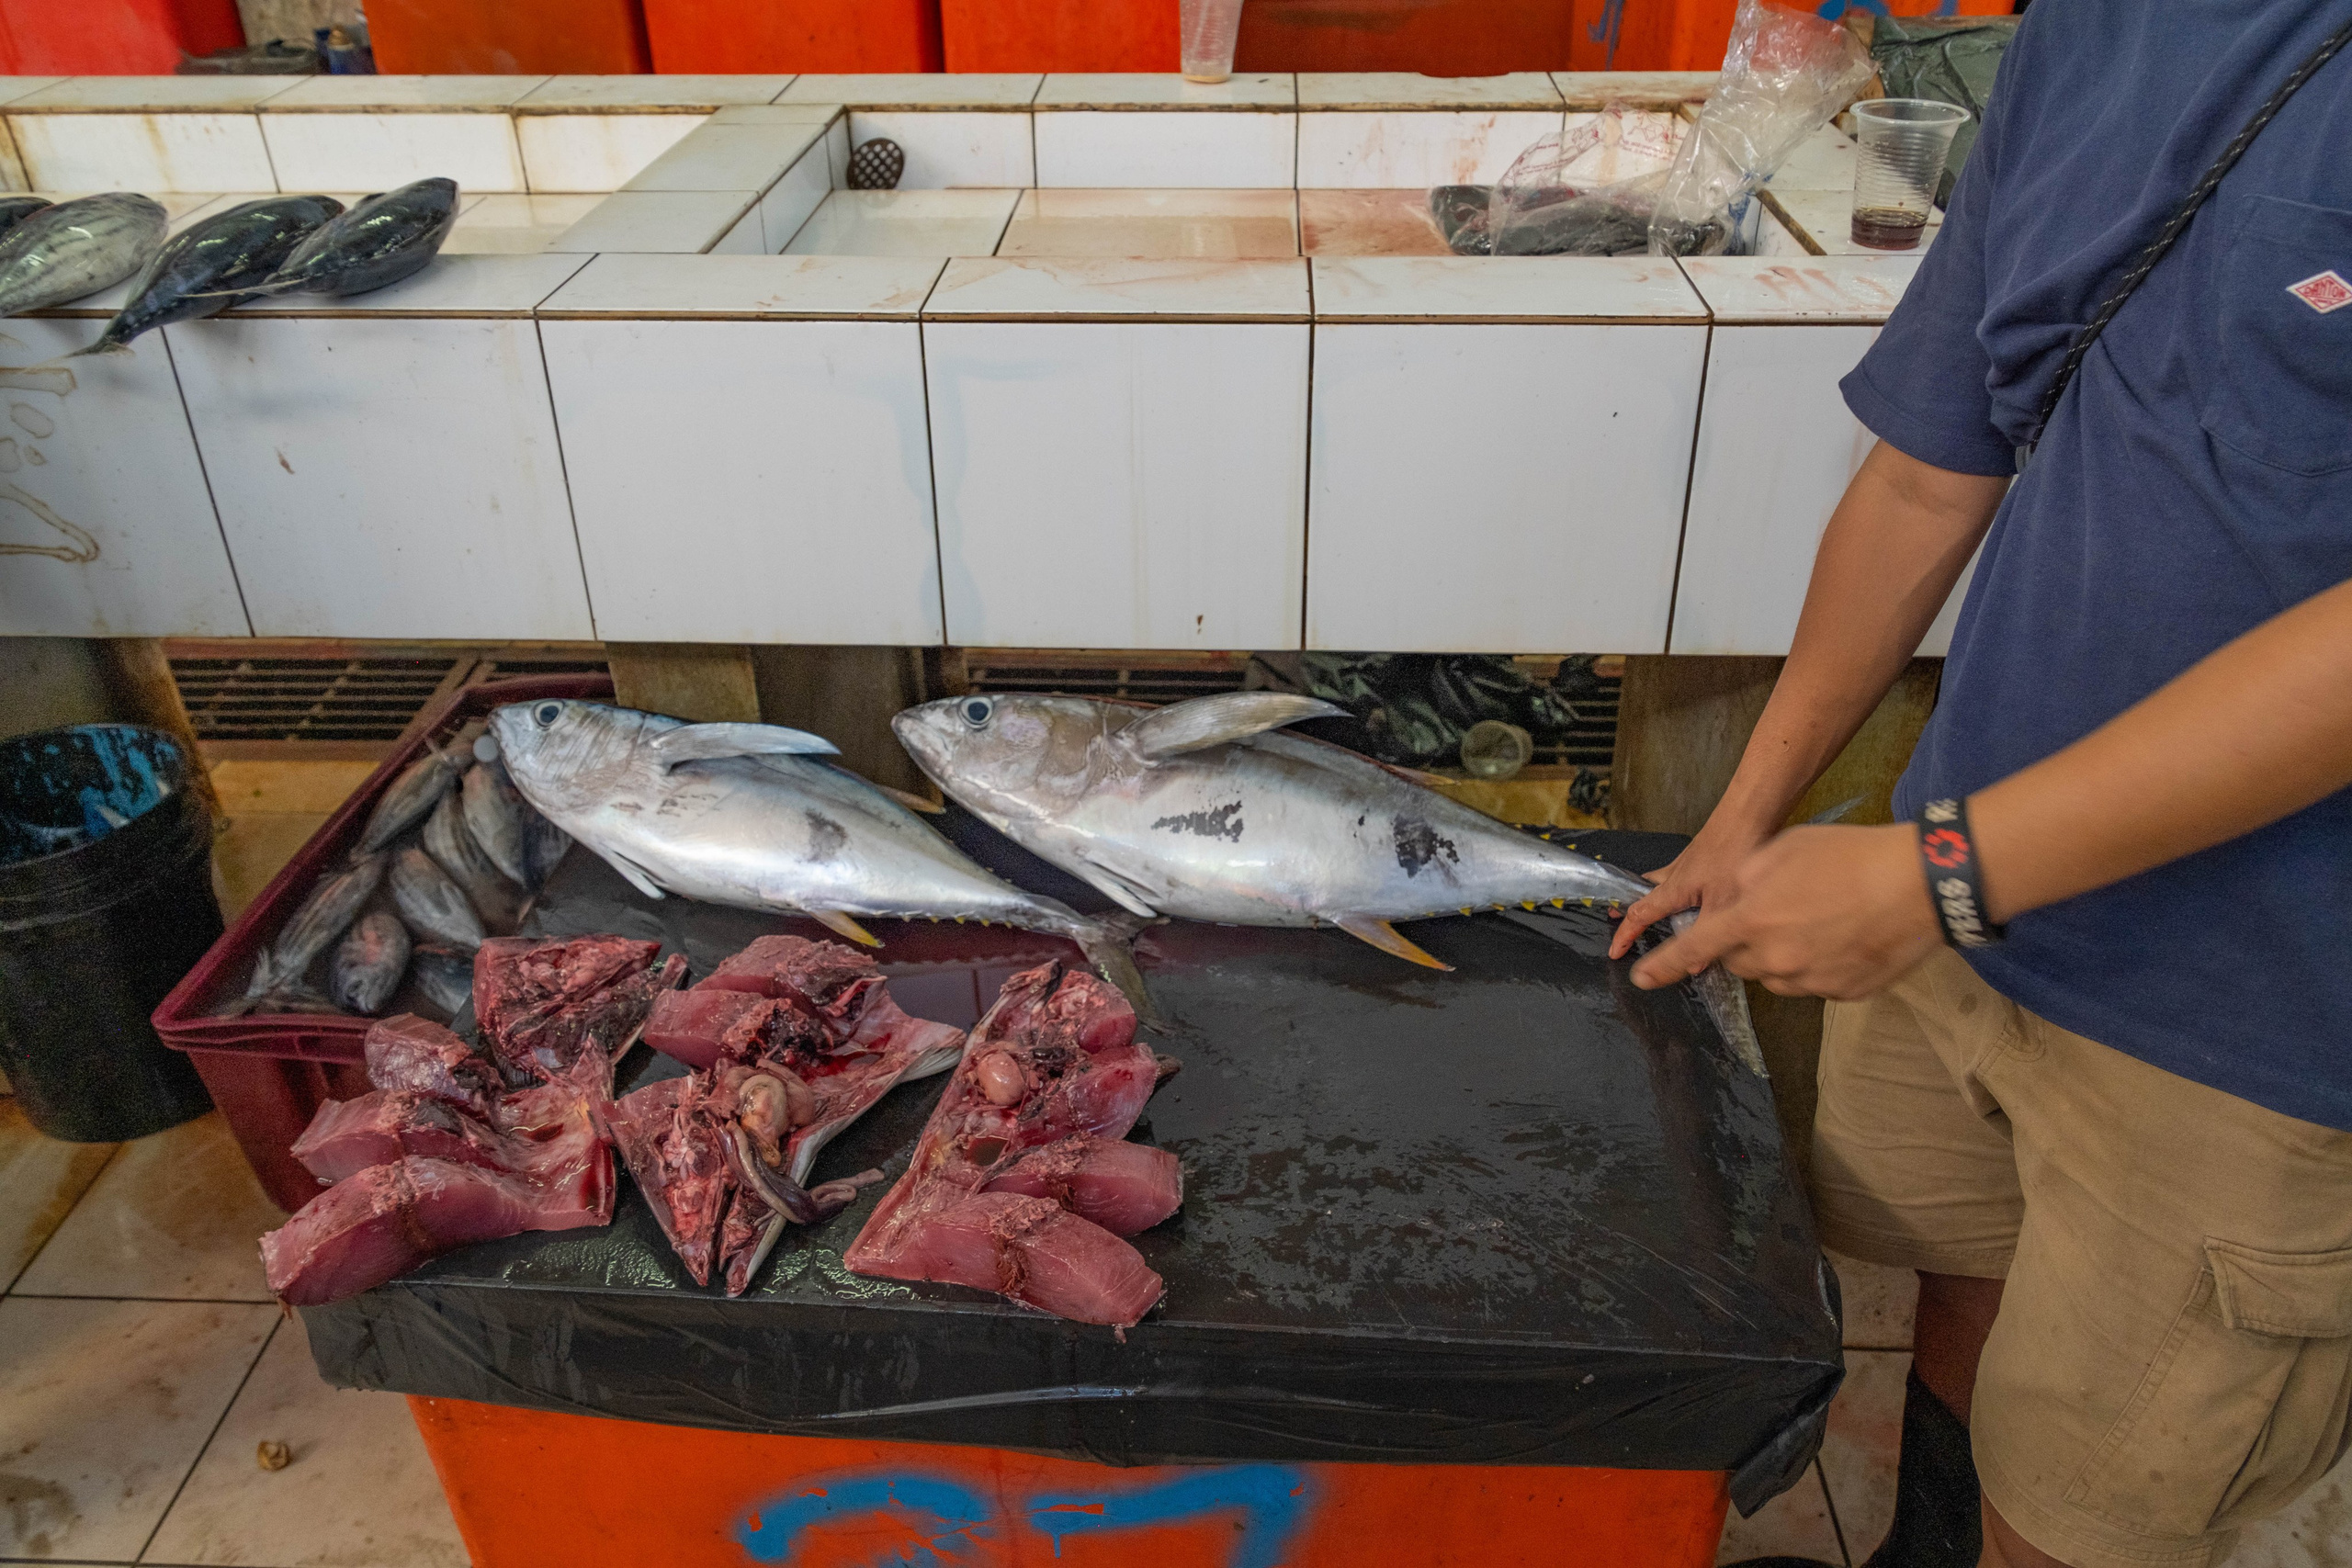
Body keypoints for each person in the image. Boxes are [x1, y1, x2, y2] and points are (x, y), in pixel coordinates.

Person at [1608, 4, 2352, 1566]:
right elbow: (1928, 468)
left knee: (2084, 1502)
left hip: (2255, 1012)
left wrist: (1946, 872)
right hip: (1970, 903)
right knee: (1961, 1291)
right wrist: (1749, 813)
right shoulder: (2092, 32)